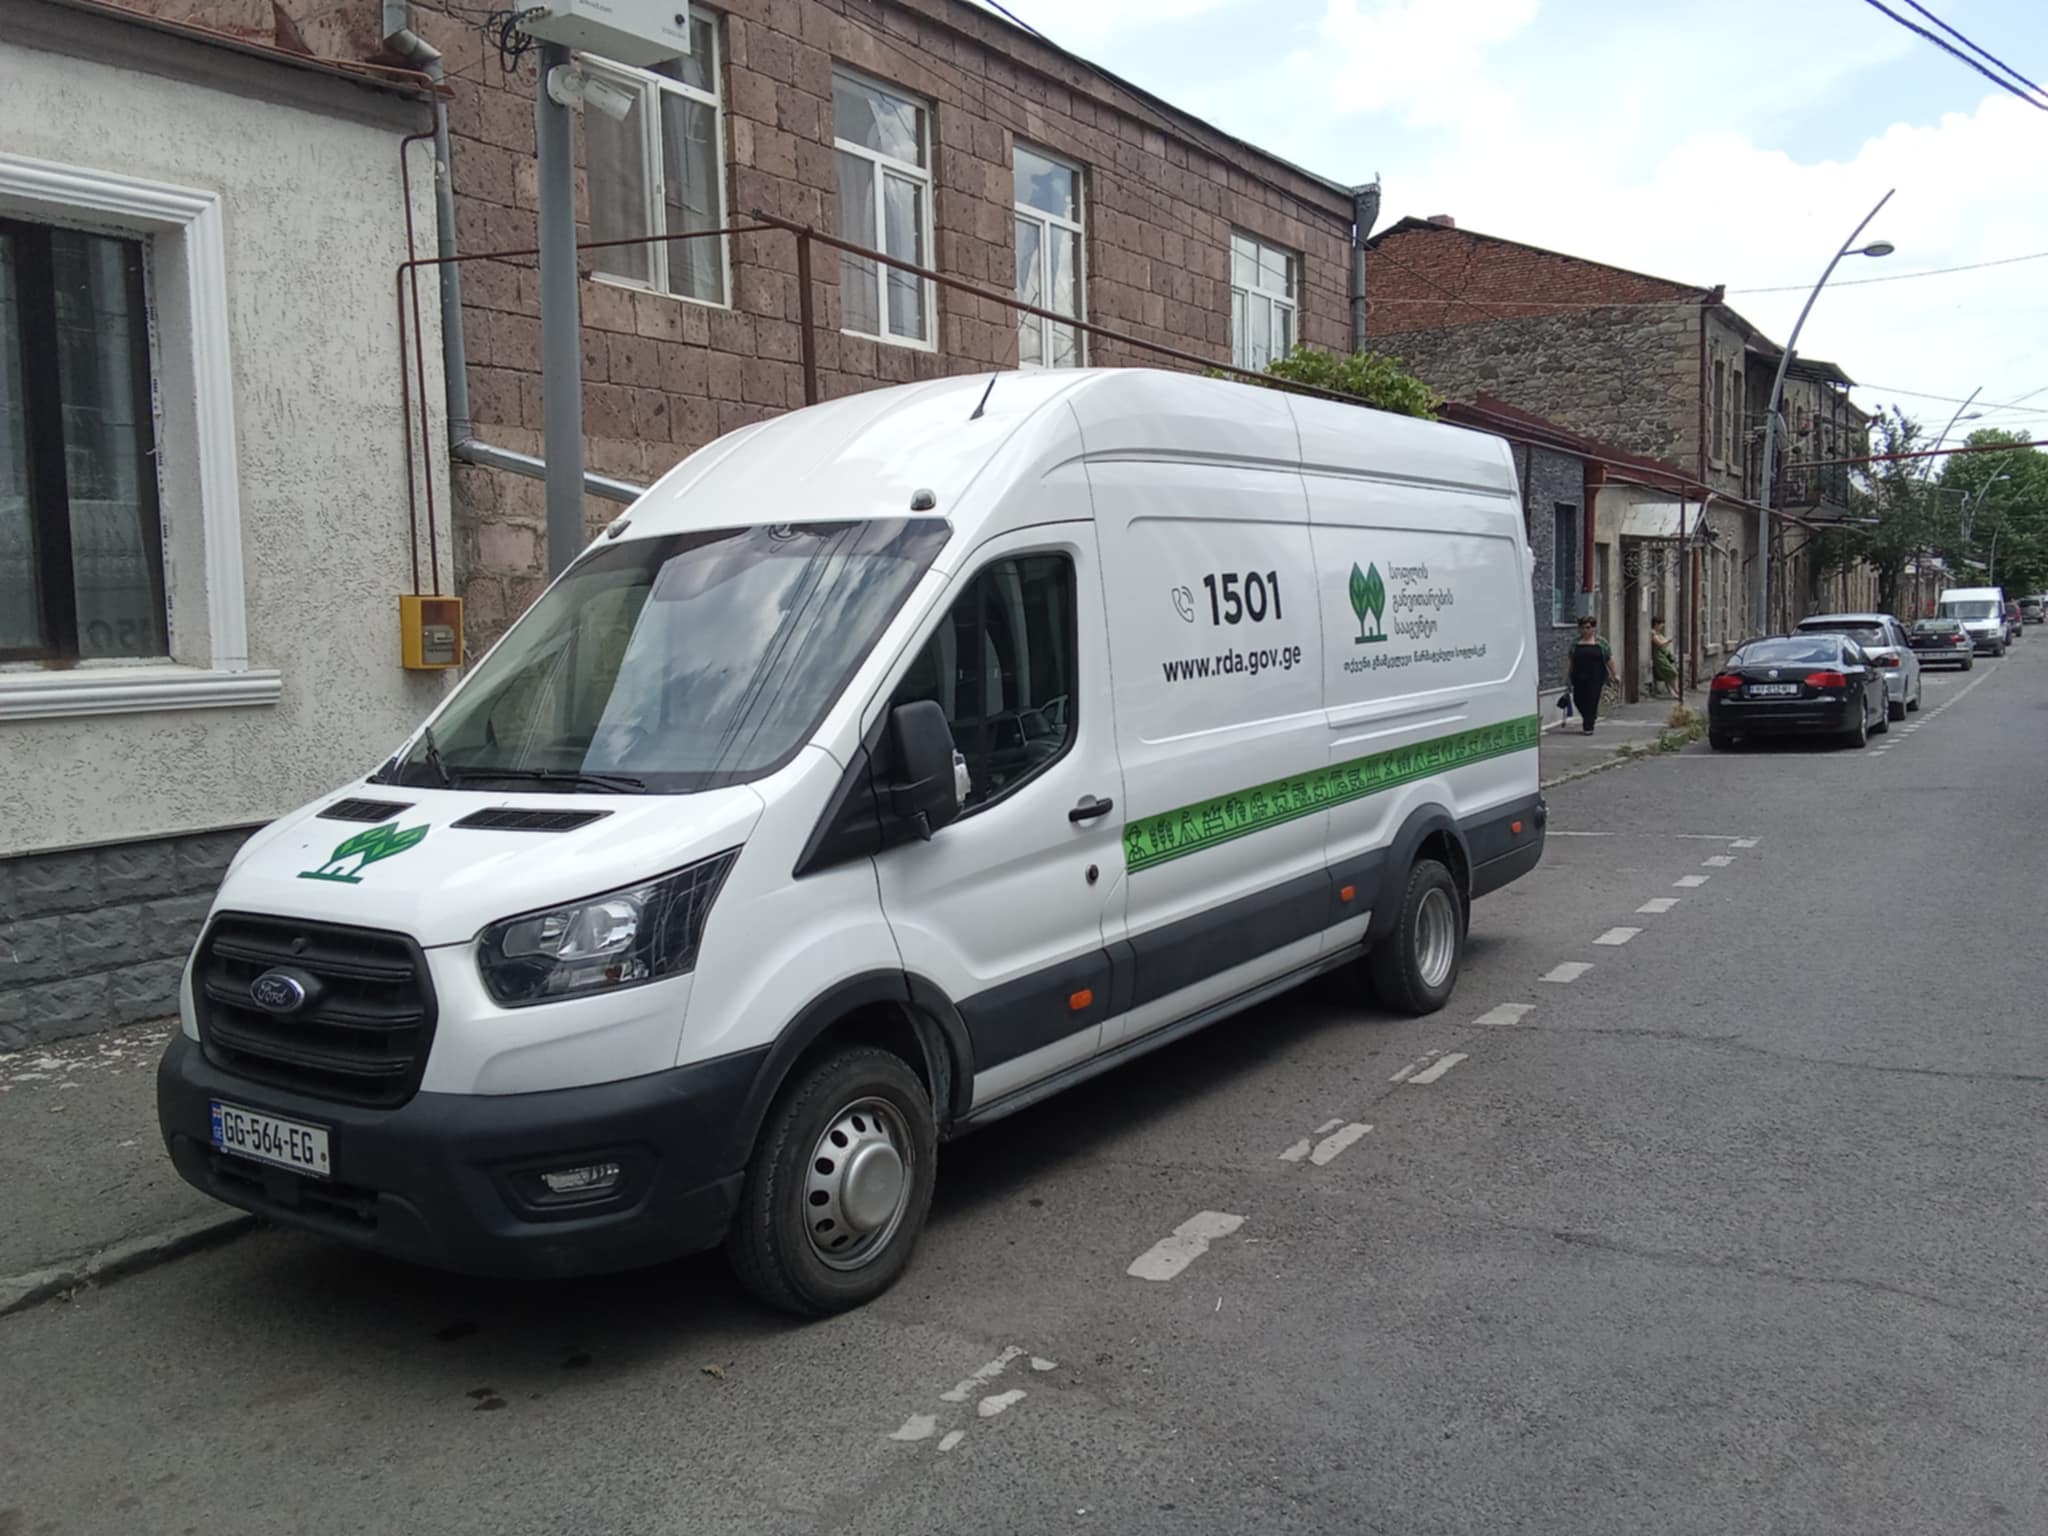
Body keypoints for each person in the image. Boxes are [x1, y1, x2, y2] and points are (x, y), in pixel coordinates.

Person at [1568, 615, 1619, 734]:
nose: (1585, 630)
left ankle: (1588, 726)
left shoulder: (1601, 643)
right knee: (1578, 699)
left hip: (1596, 677)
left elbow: (1609, 659)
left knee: (1592, 700)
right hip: (1578, 677)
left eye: (1588, 627)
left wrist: (1615, 674)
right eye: (1582, 628)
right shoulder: (1575, 643)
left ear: (1594, 628)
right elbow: (1571, 660)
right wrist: (1567, 677)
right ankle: (1589, 716)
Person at [1650, 614, 1679, 698]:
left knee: (1668, 674)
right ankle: (1676, 690)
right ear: (1656, 624)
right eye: (1661, 625)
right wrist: (1668, 641)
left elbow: (1663, 643)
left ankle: (1673, 692)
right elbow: (1659, 643)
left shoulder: (1658, 633)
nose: (1662, 627)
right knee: (1672, 672)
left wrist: (1666, 642)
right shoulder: (1653, 633)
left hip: (1665, 655)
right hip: (1659, 657)